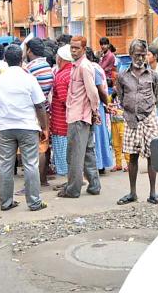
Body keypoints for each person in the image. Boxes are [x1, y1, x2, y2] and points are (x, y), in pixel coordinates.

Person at [0, 45, 49, 211]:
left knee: (5, 165)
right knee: (30, 164)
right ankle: (34, 202)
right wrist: (44, 127)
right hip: (28, 126)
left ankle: (5, 202)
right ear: (22, 59)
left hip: (6, 128)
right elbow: (40, 106)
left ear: (5, 60)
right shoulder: (29, 79)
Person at [116, 39, 158, 205]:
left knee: (152, 156)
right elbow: (121, 97)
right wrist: (131, 110)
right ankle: (132, 193)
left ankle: (153, 193)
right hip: (130, 119)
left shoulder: (153, 76)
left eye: (144, 55)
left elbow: (156, 96)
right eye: (137, 55)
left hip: (149, 117)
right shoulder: (122, 76)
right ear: (130, 55)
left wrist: (145, 109)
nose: (141, 58)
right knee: (132, 156)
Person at [59, 36, 101, 198]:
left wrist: (95, 110)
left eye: (76, 48)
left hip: (79, 117)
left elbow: (93, 92)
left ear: (84, 49)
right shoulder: (76, 66)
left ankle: (73, 189)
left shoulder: (84, 67)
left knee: (75, 155)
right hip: (81, 115)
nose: (73, 51)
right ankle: (94, 185)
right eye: (72, 48)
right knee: (88, 152)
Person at [24, 38, 55, 185]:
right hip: (46, 109)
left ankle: (38, 180)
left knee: (38, 147)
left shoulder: (30, 69)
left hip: (35, 111)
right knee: (45, 143)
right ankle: (43, 178)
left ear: (29, 50)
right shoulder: (46, 66)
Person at [86, 47, 115, 172]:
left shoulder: (92, 69)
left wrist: (107, 103)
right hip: (98, 106)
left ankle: (99, 165)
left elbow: (100, 89)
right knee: (99, 136)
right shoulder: (95, 67)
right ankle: (100, 164)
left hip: (97, 107)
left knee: (96, 137)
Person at [50, 45, 73, 181]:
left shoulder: (61, 76)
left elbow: (65, 101)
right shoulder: (74, 71)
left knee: (63, 154)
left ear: (60, 59)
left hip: (61, 123)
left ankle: (68, 182)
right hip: (72, 122)